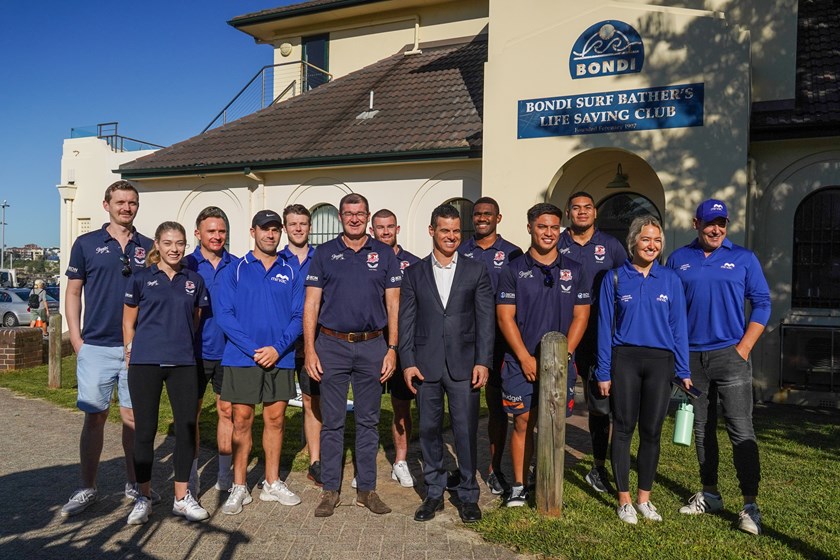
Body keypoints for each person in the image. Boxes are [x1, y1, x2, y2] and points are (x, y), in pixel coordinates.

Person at [666, 199, 771, 535]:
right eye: (710, 223)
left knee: (741, 429)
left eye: (721, 223)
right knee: (701, 429)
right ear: (696, 223)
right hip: (691, 361)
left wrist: (744, 348)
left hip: (731, 357)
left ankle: (750, 506)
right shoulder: (679, 259)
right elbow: (669, 307)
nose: (716, 229)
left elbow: (762, 303)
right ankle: (710, 493)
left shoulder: (743, 258)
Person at [304, 193, 401, 517]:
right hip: (331, 345)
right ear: (341, 216)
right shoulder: (325, 254)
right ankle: (331, 491)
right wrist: (309, 349)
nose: (355, 219)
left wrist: (392, 349)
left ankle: (366, 490)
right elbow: (312, 304)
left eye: (360, 213)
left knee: (368, 421)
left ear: (368, 216)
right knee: (332, 423)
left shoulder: (385, 254)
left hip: (373, 345)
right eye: (348, 213)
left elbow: (394, 305)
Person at [62, 180, 156, 517]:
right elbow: (73, 292)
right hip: (97, 346)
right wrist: (76, 338)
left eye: (132, 202)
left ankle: (134, 484)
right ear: (107, 205)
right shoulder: (86, 243)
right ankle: (88, 487)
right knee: (95, 417)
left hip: (137, 349)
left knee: (133, 419)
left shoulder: (148, 246)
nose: (126, 207)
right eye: (120, 202)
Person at [399, 204, 493, 523]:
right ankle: (435, 492)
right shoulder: (413, 273)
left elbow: (485, 320)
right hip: (425, 365)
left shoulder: (476, 270)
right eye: (444, 230)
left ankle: (467, 494)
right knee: (428, 430)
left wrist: (483, 361)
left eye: (455, 231)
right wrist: (407, 362)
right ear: (432, 231)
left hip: (465, 365)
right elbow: (406, 321)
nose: (451, 236)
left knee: (465, 432)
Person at [596, 215, 691, 525]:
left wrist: (683, 368)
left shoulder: (671, 280)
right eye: (646, 239)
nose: (652, 245)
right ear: (633, 242)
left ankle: (644, 500)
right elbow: (603, 329)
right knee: (622, 428)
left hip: (660, 363)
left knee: (652, 432)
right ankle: (624, 500)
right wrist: (604, 371)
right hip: (625, 359)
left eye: (657, 240)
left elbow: (679, 329)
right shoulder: (614, 278)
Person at [496, 203, 590, 506]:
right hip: (520, 362)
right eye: (542, 227)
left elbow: (581, 317)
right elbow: (505, 318)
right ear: (530, 228)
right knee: (522, 421)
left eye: (553, 227)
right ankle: (520, 486)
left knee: (552, 423)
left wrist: (564, 356)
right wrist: (524, 357)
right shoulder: (513, 270)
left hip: (560, 363)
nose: (548, 233)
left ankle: (547, 481)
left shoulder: (575, 270)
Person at [215, 210, 304, 515]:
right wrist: (255, 350)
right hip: (242, 359)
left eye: (275, 229)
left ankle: (271, 482)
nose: (271, 234)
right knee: (241, 420)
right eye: (265, 229)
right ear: (252, 231)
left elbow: (298, 316)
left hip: (281, 358)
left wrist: (277, 350)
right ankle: (240, 486)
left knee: (276, 420)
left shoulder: (291, 270)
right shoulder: (235, 270)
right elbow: (224, 315)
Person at [122, 221, 210, 525]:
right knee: (144, 431)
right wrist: (130, 349)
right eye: (168, 243)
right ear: (157, 245)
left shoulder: (194, 280)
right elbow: (128, 321)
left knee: (186, 429)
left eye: (180, 243)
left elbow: (195, 319)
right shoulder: (141, 278)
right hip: (145, 363)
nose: (175, 249)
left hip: (183, 364)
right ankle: (143, 497)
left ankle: (182, 498)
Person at [558, 191, 627, 494]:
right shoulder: (557, 242)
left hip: (600, 337)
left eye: (588, 207)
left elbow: (629, 283)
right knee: (554, 400)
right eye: (576, 208)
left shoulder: (611, 246)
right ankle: (548, 461)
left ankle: (598, 467)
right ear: (568, 213)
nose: (582, 212)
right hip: (563, 334)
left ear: (595, 213)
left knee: (599, 405)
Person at [458, 196, 523, 495]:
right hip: (464, 340)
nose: (482, 218)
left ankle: (495, 468)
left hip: (499, 343)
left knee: (497, 408)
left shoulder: (512, 254)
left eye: (488, 214)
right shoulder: (460, 250)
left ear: (498, 218)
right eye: (477, 214)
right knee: (465, 406)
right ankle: (464, 467)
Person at [184, 206, 237, 493]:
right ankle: (191, 475)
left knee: (226, 411)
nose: (217, 236)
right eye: (211, 231)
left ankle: (224, 475)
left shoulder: (237, 265)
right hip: (192, 353)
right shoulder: (185, 265)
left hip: (228, 352)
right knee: (191, 414)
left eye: (221, 231)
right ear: (198, 234)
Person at [370, 208, 421, 488]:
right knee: (370, 406)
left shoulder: (413, 264)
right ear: (372, 231)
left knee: (402, 406)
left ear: (397, 229)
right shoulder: (366, 260)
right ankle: (366, 462)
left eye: (390, 227)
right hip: (374, 343)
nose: (385, 232)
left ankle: (400, 461)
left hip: (405, 345)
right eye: (380, 227)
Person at [278, 204, 320, 485]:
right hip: (282, 344)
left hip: (312, 343)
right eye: (293, 224)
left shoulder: (322, 258)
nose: (298, 228)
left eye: (303, 223)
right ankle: (275, 458)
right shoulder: (275, 258)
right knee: (278, 403)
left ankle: (315, 459)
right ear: (285, 227)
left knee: (311, 400)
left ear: (310, 226)